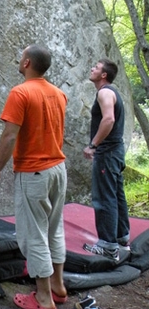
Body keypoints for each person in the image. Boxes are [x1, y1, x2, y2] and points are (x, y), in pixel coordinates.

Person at [0, 45, 68, 309]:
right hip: (58, 169)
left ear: (27, 63)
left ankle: (43, 297)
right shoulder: (59, 94)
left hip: (34, 172)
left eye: (21, 56)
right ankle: (58, 286)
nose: (18, 58)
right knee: (54, 230)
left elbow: (9, 135)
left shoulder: (20, 93)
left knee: (34, 235)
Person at [82, 58, 130, 262]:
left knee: (104, 197)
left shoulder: (104, 92)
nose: (91, 68)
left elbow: (108, 119)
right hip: (115, 151)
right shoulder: (111, 92)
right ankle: (121, 237)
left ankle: (108, 246)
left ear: (103, 75)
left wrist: (93, 145)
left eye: (96, 67)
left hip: (108, 152)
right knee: (117, 194)